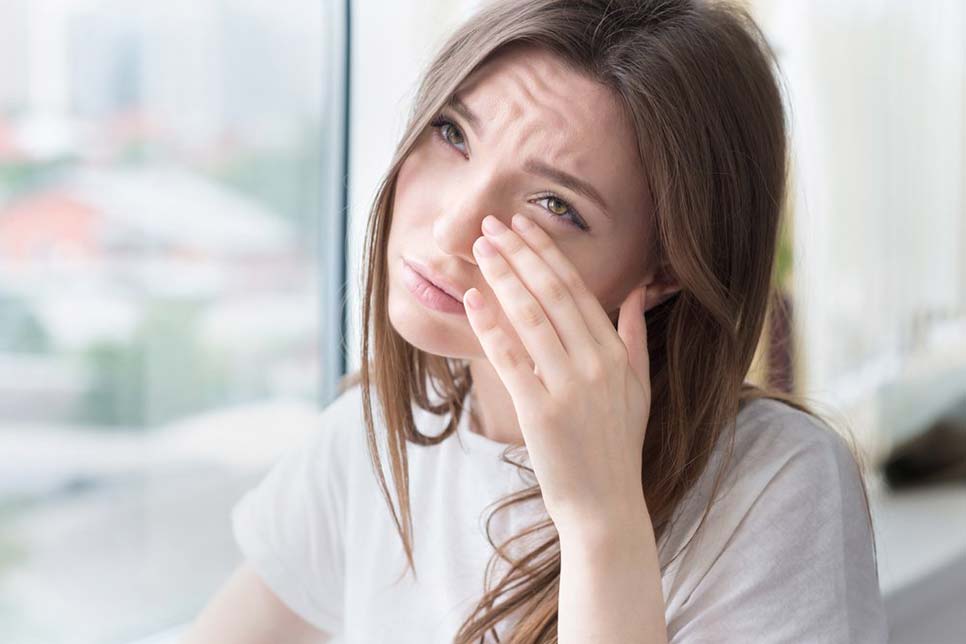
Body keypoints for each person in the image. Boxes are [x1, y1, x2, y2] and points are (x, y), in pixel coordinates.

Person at [183, 0, 888, 642]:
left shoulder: (775, 485)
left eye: (555, 205)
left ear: (665, 271)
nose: (452, 227)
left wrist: (600, 524)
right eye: (452, 133)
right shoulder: (373, 443)